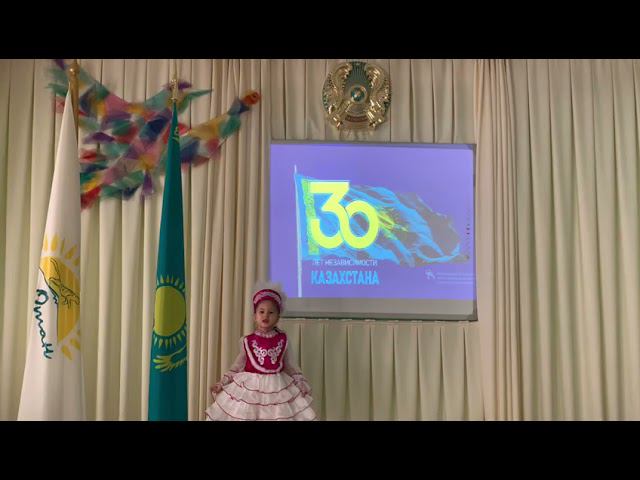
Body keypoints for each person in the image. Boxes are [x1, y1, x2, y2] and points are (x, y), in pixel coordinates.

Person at [205, 282, 316, 421]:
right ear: (255, 316)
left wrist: (300, 382)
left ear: (278, 317)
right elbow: (237, 367)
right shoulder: (247, 340)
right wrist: (222, 383)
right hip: (250, 389)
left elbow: (290, 365)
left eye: (271, 312)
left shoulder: (283, 339)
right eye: (261, 311)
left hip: (277, 388)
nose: (266, 315)